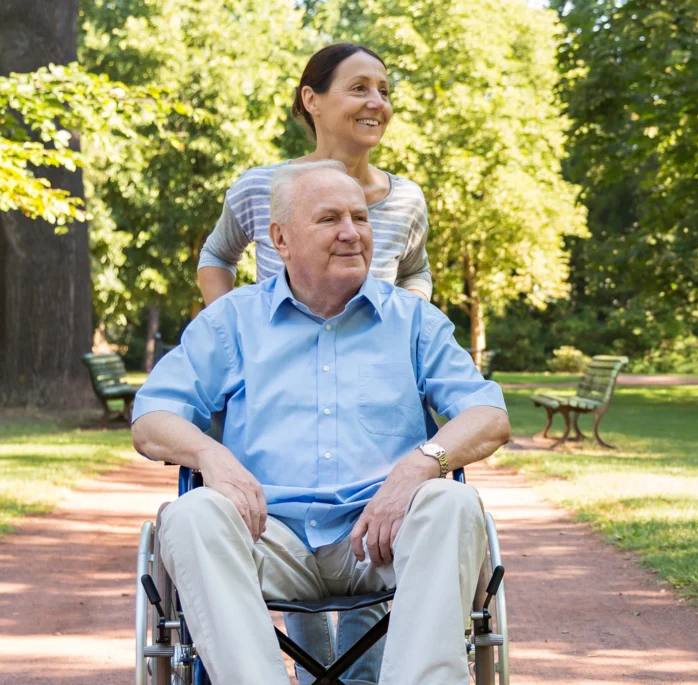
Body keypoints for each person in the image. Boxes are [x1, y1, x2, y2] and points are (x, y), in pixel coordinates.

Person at [132, 161, 510, 685]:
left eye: (360, 217)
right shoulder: (233, 321)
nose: (352, 232)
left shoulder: (413, 321)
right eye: (330, 218)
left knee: (453, 502)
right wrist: (211, 456)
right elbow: (151, 418)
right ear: (281, 239)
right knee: (192, 514)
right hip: (266, 536)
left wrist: (420, 466)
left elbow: (488, 415)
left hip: (381, 535)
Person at [195, 43, 428, 682]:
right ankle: (312, 667)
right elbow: (216, 255)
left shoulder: (405, 199)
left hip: (373, 392)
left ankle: (357, 676)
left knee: (371, 510)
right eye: (359, 88)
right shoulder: (261, 189)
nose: (377, 102)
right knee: (293, 496)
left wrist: (411, 332)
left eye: (384, 89)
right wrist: (227, 331)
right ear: (312, 100)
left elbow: (415, 270)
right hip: (278, 382)